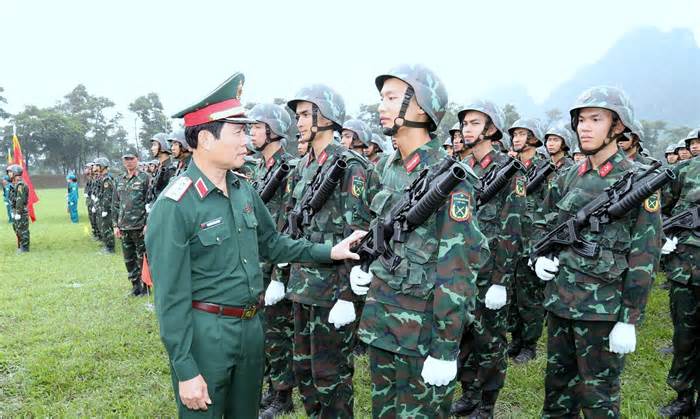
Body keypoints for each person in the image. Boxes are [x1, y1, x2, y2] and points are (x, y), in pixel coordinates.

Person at [145, 72, 365, 418]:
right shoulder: (175, 206)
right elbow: (169, 299)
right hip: (207, 335)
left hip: (251, 329)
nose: (246, 141)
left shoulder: (242, 189)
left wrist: (330, 251)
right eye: (238, 132)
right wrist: (186, 369)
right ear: (205, 138)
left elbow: (274, 244)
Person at [350, 64, 487, 418]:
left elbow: (458, 271)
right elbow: (378, 230)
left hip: (422, 334)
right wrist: (364, 265)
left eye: (392, 98)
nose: (382, 106)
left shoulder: (450, 179)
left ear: (422, 108)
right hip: (382, 322)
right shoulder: (386, 167)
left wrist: (445, 349)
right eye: (382, 98)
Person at [535, 86, 662, 417]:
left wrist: (630, 318)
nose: (584, 127)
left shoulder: (638, 181)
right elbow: (544, 223)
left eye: (596, 119)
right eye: (580, 120)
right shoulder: (567, 176)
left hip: (603, 310)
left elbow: (645, 253)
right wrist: (539, 257)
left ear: (618, 127)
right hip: (561, 302)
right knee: (557, 393)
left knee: (599, 398)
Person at [282, 84, 370, 418]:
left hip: (332, 292)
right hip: (303, 286)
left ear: (327, 116)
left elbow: (358, 235)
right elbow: (292, 226)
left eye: (306, 114)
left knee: (330, 376)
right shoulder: (303, 165)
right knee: (304, 371)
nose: (299, 121)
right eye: (298, 115)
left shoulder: (350, 166)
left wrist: (348, 297)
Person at [451, 100, 525, 417]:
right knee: (463, 336)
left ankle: (487, 403)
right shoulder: (462, 169)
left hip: (490, 271)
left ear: (491, 129)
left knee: (490, 340)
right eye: (465, 123)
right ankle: (469, 392)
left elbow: (513, 231)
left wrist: (500, 282)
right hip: (462, 271)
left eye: (475, 123)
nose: (467, 129)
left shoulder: (509, 172)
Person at [246, 102, 297, 418]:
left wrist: (280, 274)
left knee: (278, 332)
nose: (251, 133)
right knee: (262, 331)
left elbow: (291, 222)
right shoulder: (259, 168)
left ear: (274, 130)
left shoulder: (288, 168)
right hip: (257, 262)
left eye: (256, 127)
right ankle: (268, 387)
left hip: (277, 264)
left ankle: (282, 395)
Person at [658, 128, 700, 418]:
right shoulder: (685, 171)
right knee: (684, 338)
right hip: (685, 269)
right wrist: (664, 235)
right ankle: (683, 396)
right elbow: (658, 208)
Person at [507, 117, 549, 364]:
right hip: (512, 239)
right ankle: (516, 338)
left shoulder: (546, 169)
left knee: (530, 297)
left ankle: (530, 344)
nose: (516, 139)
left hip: (532, 241)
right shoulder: (512, 166)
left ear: (534, 138)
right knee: (512, 296)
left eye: (522, 134)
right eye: (515, 135)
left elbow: (552, 207)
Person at [113, 149, 150, 296]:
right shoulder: (119, 180)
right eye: (126, 159)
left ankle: (146, 287)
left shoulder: (145, 178)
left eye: (131, 159)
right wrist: (115, 225)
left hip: (140, 226)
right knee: (129, 259)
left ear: (137, 159)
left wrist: (148, 223)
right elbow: (115, 204)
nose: (128, 162)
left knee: (143, 258)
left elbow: (149, 202)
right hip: (124, 227)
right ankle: (135, 287)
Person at [147, 132, 175, 209]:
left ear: (163, 146)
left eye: (155, 145)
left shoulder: (170, 169)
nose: (152, 148)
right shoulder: (160, 168)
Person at [94, 157, 115, 254]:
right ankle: (107, 245)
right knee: (104, 226)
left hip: (107, 207)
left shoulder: (107, 179)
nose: (96, 168)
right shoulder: (103, 178)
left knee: (107, 227)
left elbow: (108, 195)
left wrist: (105, 209)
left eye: (98, 166)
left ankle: (110, 248)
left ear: (103, 166)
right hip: (102, 206)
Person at [6, 164, 29, 252]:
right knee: (17, 228)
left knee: (23, 230)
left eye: (10, 172)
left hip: (21, 211)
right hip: (16, 210)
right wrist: (13, 210)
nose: (9, 174)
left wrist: (18, 212)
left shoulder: (20, 184)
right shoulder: (14, 184)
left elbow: (20, 199)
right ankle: (21, 246)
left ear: (16, 172)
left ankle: (25, 248)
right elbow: (13, 198)